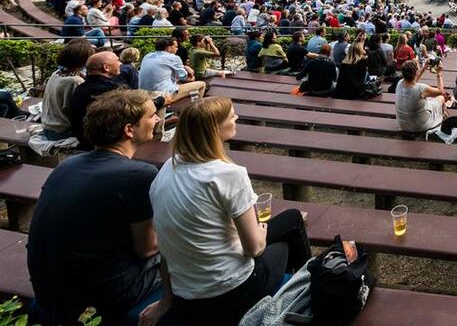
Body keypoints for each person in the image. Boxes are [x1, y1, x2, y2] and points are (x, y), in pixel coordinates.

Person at [146, 97, 312, 326]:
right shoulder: (227, 174)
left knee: (289, 219)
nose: (237, 117)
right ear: (215, 128)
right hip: (232, 291)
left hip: (186, 295)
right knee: (292, 222)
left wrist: (168, 299)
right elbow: (254, 248)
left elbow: (166, 246)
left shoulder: (166, 171)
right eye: (231, 115)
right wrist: (262, 233)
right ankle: (305, 292)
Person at [28, 90, 163, 325]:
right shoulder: (139, 174)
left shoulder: (68, 164)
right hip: (106, 290)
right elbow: (147, 250)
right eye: (152, 116)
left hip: (50, 283)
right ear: (129, 130)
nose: (159, 119)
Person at [40, 39, 96, 140]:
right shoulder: (75, 81)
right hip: (61, 132)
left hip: (48, 126)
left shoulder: (56, 73)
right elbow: (81, 113)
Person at [139, 36, 207, 101]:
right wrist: (191, 75)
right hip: (162, 95)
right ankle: (195, 109)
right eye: (176, 47)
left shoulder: (147, 56)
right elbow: (185, 77)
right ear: (169, 48)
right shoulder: (173, 57)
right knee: (202, 85)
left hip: (143, 93)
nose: (177, 49)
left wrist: (184, 67)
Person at [395, 59, 448, 134]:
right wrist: (439, 73)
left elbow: (412, 80)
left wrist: (423, 68)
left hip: (403, 125)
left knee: (426, 99)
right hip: (420, 126)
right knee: (441, 98)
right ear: (416, 72)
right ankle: (443, 115)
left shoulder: (399, 83)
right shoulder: (421, 88)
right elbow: (440, 92)